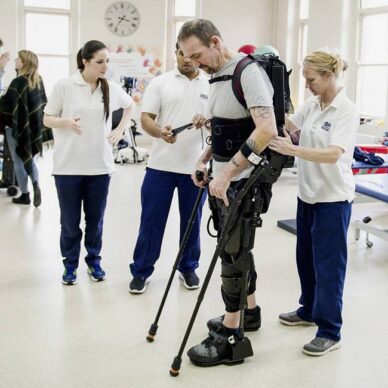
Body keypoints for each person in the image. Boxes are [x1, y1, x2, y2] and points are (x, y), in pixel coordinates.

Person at [178, 19, 277, 367]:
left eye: (197, 55)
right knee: (238, 248)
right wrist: (204, 161)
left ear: (215, 42)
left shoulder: (246, 73)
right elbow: (224, 131)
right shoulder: (217, 78)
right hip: (223, 179)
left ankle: (231, 334)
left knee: (232, 256)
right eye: (189, 58)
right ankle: (249, 312)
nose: (195, 63)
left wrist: (228, 174)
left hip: (244, 181)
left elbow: (267, 128)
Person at [269, 49, 359, 356]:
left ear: (329, 76)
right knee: (305, 260)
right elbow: (289, 125)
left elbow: (335, 153)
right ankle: (308, 310)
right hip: (307, 196)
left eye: (311, 79)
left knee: (329, 267)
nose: (307, 84)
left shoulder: (345, 110)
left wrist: (294, 151)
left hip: (333, 199)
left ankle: (330, 330)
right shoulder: (313, 104)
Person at [43, 40, 133, 286]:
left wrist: (120, 131)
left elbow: (130, 106)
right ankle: (69, 266)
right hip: (68, 168)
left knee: (95, 222)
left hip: (100, 168)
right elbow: (47, 118)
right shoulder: (65, 85)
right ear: (85, 61)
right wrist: (66, 122)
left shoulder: (111, 88)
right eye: (100, 62)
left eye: (107, 61)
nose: (105, 66)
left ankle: (94, 261)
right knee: (70, 223)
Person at [129, 42, 209, 294]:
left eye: (191, 54)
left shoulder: (210, 84)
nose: (186, 59)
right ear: (175, 53)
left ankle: (188, 267)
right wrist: (160, 132)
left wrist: (206, 121)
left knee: (191, 223)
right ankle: (142, 270)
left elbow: (218, 122)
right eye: (181, 53)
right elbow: (146, 120)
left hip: (195, 168)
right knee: (151, 221)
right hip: (160, 167)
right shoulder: (160, 82)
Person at [0, 49, 52, 206]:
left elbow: (5, 106)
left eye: (18, 59)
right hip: (33, 129)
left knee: (18, 161)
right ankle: (36, 183)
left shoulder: (17, 83)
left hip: (15, 128)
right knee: (31, 159)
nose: (15, 61)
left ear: (24, 63)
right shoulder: (38, 80)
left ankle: (25, 194)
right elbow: (41, 105)